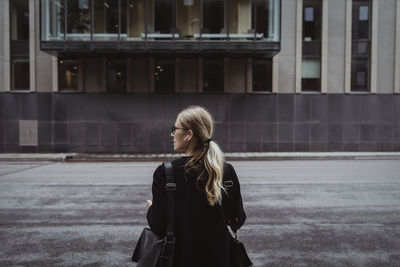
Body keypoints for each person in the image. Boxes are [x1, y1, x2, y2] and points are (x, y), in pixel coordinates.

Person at [146, 105, 246, 267]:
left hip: (179, 259)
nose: (172, 134)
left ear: (188, 134)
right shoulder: (225, 170)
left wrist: (151, 208)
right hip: (220, 259)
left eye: (175, 129)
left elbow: (158, 226)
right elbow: (237, 219)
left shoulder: (165, 173)